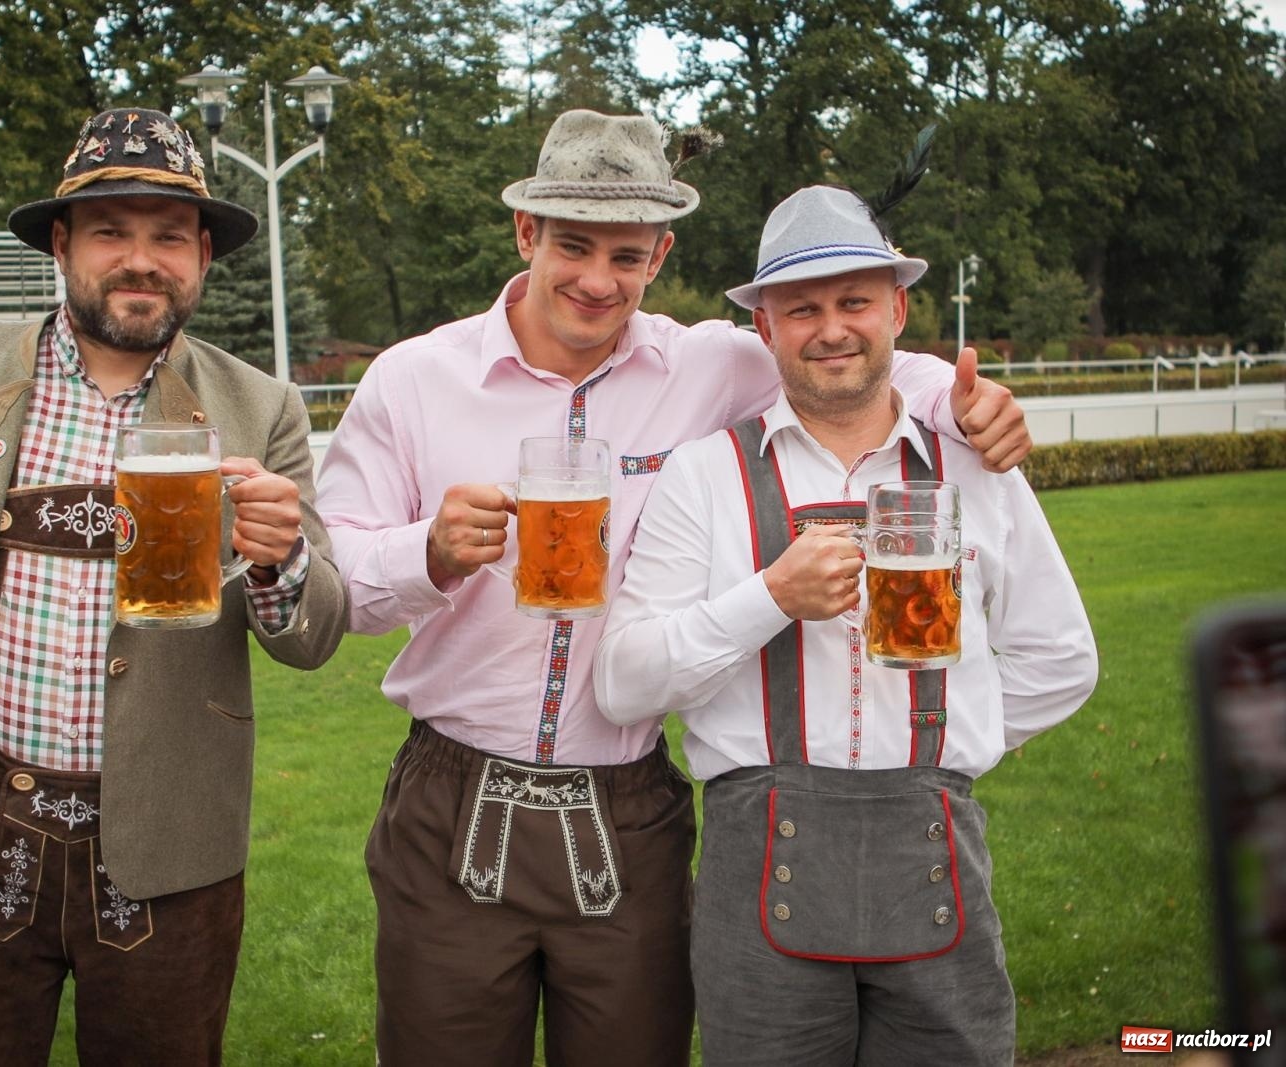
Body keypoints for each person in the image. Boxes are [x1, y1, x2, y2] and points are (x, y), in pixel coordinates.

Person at [315, 109, 1034, 1066]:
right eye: (573, 245)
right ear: (526, 233)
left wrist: (959, 399)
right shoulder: (412, 380)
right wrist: (430, 553)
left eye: (629, 253)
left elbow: (848, 353)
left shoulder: (713, 363)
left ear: (663, 252)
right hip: (454, 794)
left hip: (630, 801)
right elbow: (335, 591)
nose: (598, 280)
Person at [0, 107, 348, 1065]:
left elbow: (313, 634)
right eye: (110, 232)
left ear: (203, 254)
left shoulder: (260, 404)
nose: (142, 259)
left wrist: (281, 557)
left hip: (169, 837)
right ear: (61, 243)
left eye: (170, 236)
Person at [593, 184, 1098, 1064]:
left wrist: (951, 743)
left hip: (937, 846)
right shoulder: (704, 476)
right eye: (803, 308)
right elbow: (624, 679)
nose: (832, 328)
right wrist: (769, 599)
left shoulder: (977, 467)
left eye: (855, 301)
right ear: (765, 329)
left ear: (898, 309)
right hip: (756, 865)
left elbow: (1061, 658)